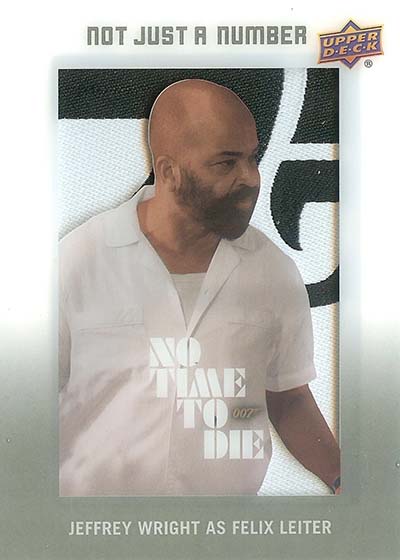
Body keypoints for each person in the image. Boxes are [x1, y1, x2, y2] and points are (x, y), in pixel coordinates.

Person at [59, 79, 340, 496]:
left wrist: (344, 481)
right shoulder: (77, 260)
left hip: (224, 528)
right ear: (169, 172)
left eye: (252, 158)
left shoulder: (272, 271)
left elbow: (288, 398)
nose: (250, 178)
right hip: (96, 526)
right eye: (226, 163)